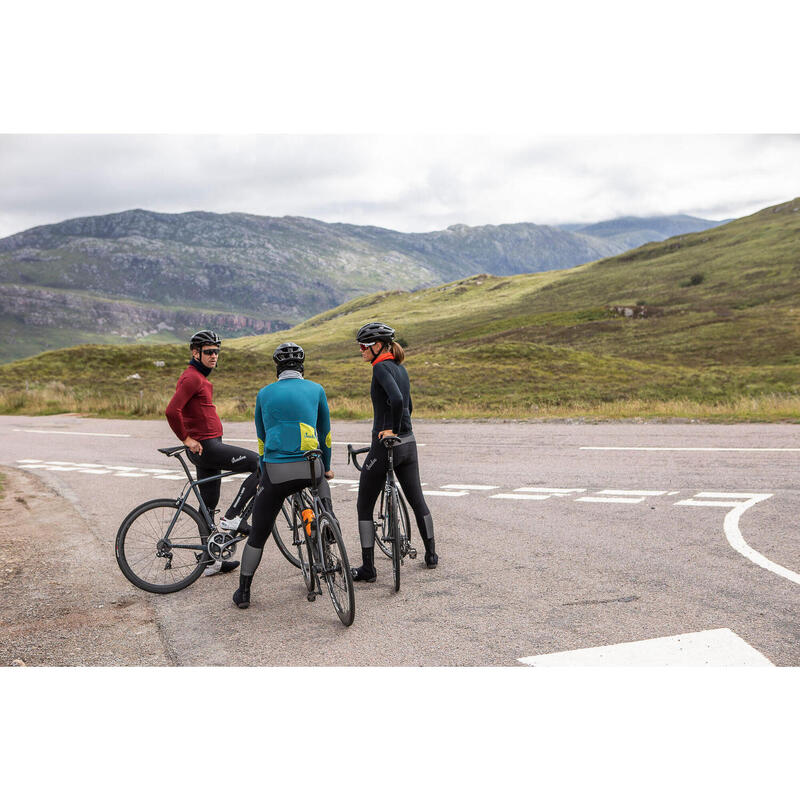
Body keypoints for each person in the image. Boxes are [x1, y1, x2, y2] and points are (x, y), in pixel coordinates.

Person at [232, 342, 335, 609]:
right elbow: (325, 434)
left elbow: (261, 437)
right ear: (302, 367)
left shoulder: (265, 394)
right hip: (310, 466)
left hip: (276, 471)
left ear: (277, 368)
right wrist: (328, 465)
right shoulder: (316, 389)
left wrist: (264, 469)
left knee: (259, 534)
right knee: (321, 485)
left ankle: (243, 591)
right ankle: (328, 524)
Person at [165, 329, 260, 576]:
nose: (214, 356)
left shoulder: (198, 377)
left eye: (216, 352)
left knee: (208, 504)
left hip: (208, 446)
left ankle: (210, 560)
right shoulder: (193, 378)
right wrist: (186, 438)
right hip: (207, 448)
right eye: (208, 352)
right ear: (195, 353)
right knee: (259, 464)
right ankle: (232, 519)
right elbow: (171, 411)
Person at [351, 322, 437, 583]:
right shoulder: (400, 368)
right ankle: (431, 554)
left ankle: (368, 569)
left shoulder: (379, 367)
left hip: (387, 444)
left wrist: (391, 430)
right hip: (409, 443)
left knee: (364, 504)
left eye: (364, 346)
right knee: (417, 499)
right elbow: (409, 404)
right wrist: (402, 430)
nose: (361, 351)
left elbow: (398, 401)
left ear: (378, 346)